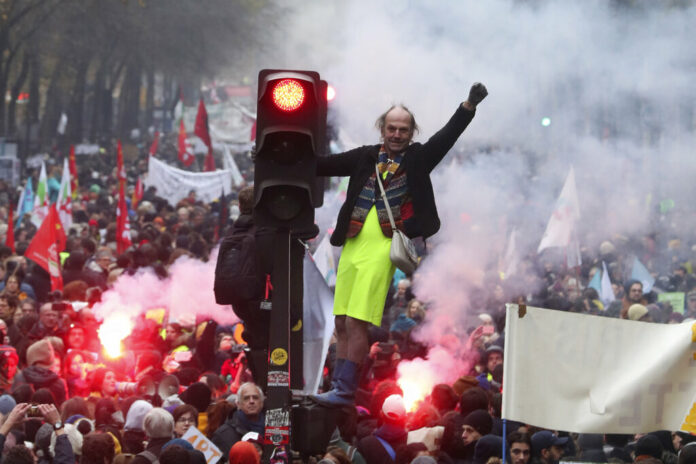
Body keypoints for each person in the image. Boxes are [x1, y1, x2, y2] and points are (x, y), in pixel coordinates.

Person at [313, 82, 488, 407]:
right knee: (340, 321)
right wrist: (276, 154)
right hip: (351, 242)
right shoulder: (365, 155)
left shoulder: (418, 158)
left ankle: (345, 390)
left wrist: (468, 107)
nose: (396, 134)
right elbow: (323, 164)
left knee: (356, 321)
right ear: (383, 129)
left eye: (403, 130)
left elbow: (446, 137)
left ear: (411, 132)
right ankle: (337, 384)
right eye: (391, 128)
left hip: (384, 245)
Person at [212, 382, 265, 462]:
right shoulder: (222, 434)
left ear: (262, 403)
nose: (251, 401)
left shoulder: (273, 429)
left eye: (255, 397)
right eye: (246, 398)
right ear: (238, 404)